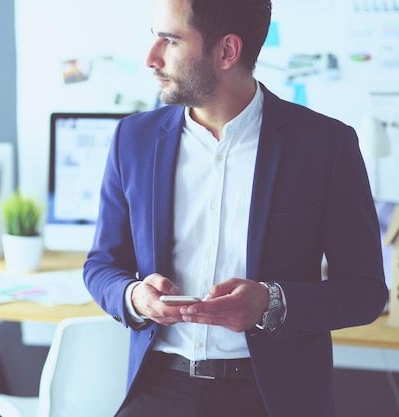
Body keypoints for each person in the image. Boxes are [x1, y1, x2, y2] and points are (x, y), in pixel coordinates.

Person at [82, 0, 389, 416]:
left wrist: (271, 303)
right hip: (157, 387)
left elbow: (365, 293)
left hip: (273, 397)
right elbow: (101, 265)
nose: (151, 58)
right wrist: (135, 296)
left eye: (170, 40)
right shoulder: (132, 140)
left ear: (227, 51)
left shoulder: (326, 146)